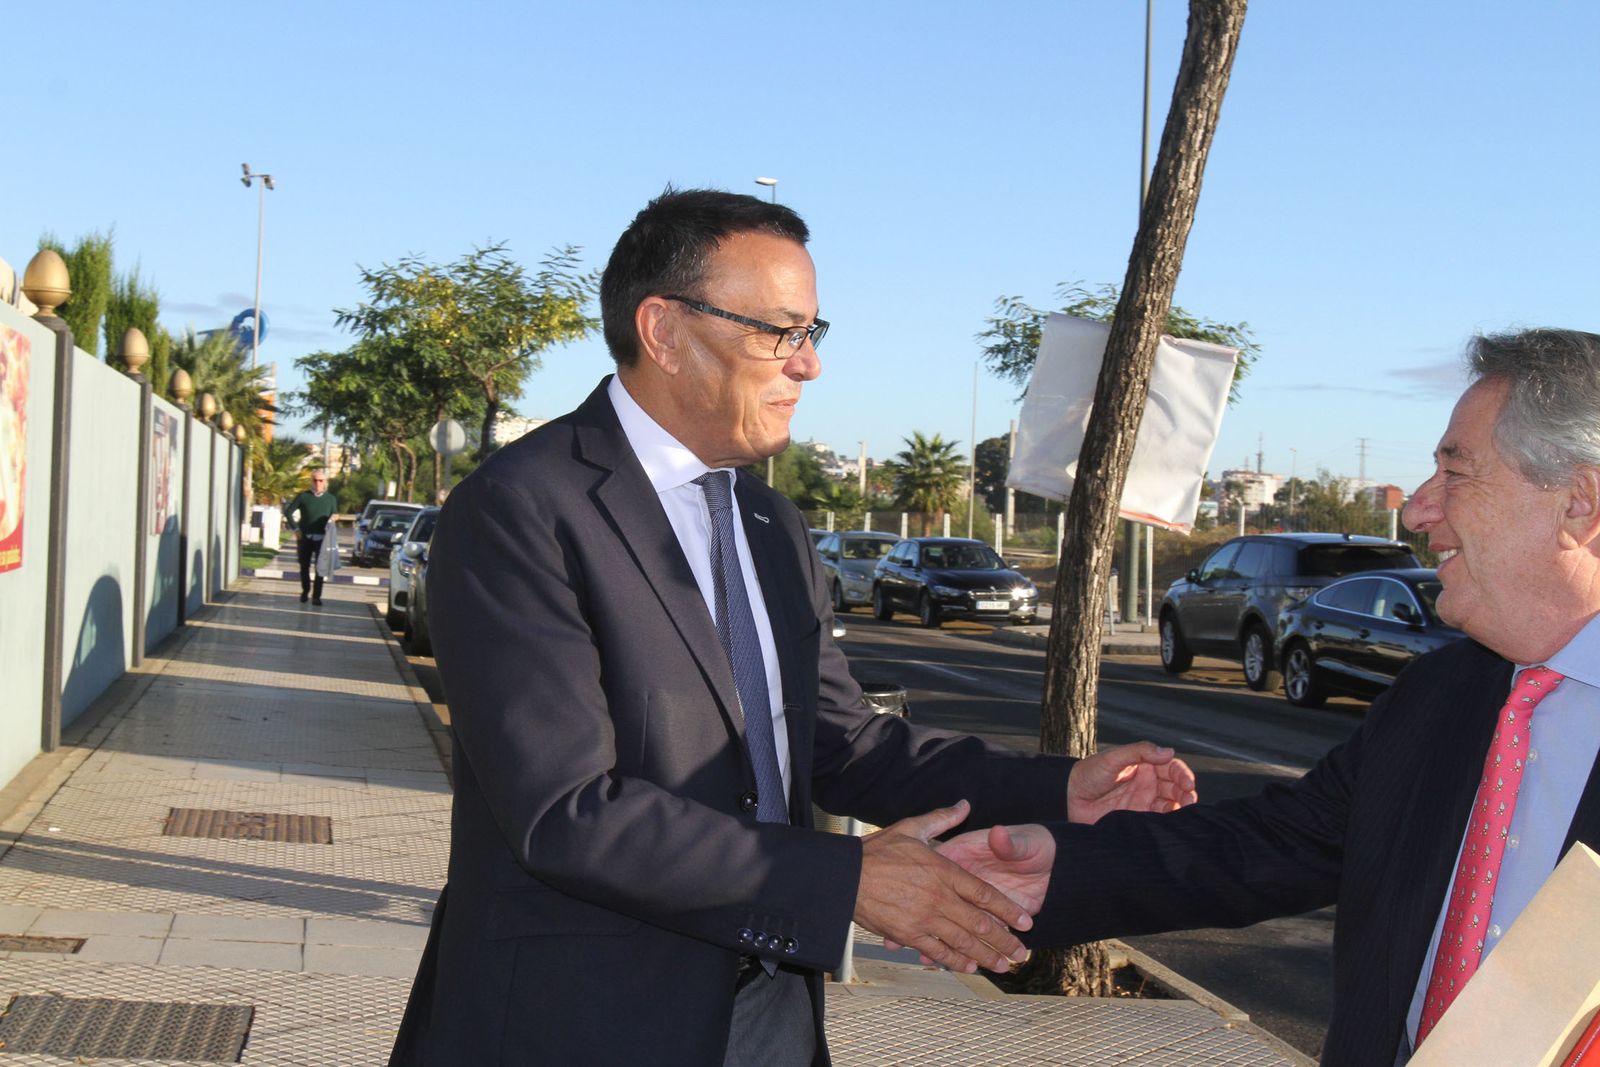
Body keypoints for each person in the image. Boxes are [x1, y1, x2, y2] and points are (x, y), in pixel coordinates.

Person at [387, 188, 1198, 1067]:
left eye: (813, 333)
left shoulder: (770, 526)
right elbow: (568, 811)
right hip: (579, 1021)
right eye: (779, 332)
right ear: (663, 330)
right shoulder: (520, 510)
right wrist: (847, 881)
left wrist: (1059, 790)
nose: (806, 366)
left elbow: (847, 744)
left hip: (770, 1013)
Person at [937, 327, 1600, 1066]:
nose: (1417, 511)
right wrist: (1056, 863)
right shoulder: (1442, 695)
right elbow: (1276, 844)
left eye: (1457, 472)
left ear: (1579, 502)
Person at [284, 471, 336, 605]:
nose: (318, 483)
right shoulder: (303, 496)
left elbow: (335, 513)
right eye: (315, 480)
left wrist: (334, 517)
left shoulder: (330, 499)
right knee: (304, 566)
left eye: (321, 481)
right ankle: (305, 590)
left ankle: (317, 596)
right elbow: (288, 512)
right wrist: (296, 529)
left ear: (325, 482)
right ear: (311, 481)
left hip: (322, 538)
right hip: (305, 537)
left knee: (320, 567)